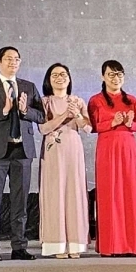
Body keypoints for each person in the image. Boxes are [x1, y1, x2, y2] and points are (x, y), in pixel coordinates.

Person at [0, 46, 46, 260]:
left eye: (16, 59)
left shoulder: (28, 86)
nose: (13, 62)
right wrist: (5, 110)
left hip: (22, 150)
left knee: (20, 201)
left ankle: (19, 246)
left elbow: (41, 116)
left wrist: (25, 110)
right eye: (8, 59)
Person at [88, 60, 136, 257]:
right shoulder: (96, 100)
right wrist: (112, 122)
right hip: (107, 148)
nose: (116, 78)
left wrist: (130, 124)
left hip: (128, 148)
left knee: (132, 193)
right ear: (103, 76)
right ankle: (111, 246)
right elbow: (93, 127)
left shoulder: (131, 100)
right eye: (111, 74)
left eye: (119, 74)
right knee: (109, 194)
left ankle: (134, 245)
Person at [37, 64, 91, 258]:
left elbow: (88, 128)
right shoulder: (44, 102)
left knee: (74, 193)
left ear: (69, 78)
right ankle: (56, 244)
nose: (59, 78)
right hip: (53, 151)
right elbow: (43, 128)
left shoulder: (77, 101)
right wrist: (64, 116)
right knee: (54, 193)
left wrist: (77, 114)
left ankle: (75, 244)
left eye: (63, 74)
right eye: (55, 75)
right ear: (48, 79)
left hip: (73, 149)